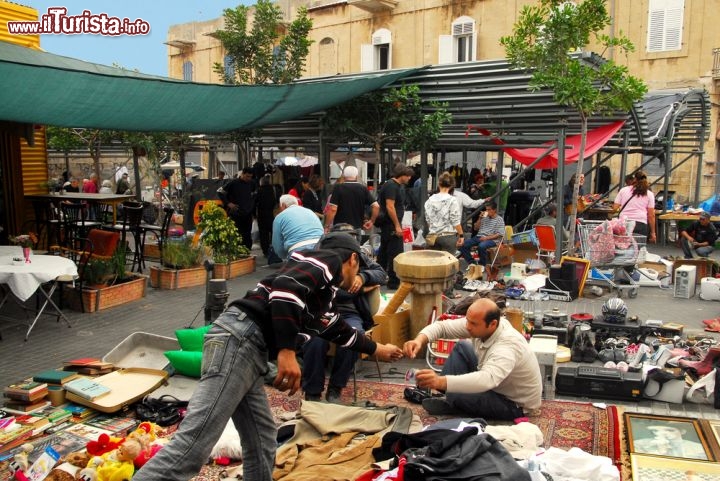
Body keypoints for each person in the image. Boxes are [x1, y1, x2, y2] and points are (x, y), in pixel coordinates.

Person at [132, 233, 404, 481]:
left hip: (247, 348)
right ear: (353, 258)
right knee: (192, 447)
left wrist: (377, 349)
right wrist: (286, 352)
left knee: (262, 443)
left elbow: (333, 326)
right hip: (240, 341)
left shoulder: (321, 287)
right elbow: (286, 290)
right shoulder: (329, 260)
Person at [402, 298, 542, 420]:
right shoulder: (481, 324)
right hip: (497, 383)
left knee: (456, 392)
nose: (467, 327)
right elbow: (442, 327)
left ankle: (453, 401)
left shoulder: (508, 345)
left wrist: (439, 381)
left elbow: (487, 379)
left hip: (514, 403)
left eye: (473, 324)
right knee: (462, 346)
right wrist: (419, 341)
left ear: (492, 324)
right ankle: (452, 398)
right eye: (468, 321)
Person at [302, 224, 388, 403]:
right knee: (315, 339)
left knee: (353, 337)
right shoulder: (319, 258)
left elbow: (381, 273)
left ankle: (336, 387)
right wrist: (354, 289)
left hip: (350, 313)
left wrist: (362, 277)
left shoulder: (355, 254)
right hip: (322, 311)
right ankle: (312, 392)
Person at [377, 162, 414, 289]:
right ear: (401, 175)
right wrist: (397, 226)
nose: (409, 178)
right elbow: (390, 206)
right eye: (408, 175)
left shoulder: (392, 185)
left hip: (388, 225)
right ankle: (393, 281)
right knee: (395, 253)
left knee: (384, 251)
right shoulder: (392, 186)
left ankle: (379, 276)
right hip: (391, 225)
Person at [323, 165, 379, 234]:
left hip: (340, 228)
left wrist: (327, 226)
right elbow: (376, 206)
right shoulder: (363, 188)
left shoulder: (338, 188)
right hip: (357, 229)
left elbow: (333, 209)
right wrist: (372, 221)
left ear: (343, 175)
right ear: (356, 175)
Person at [271, 194, 323, 259]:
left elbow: (277, 246)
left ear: (283, 205)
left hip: (298, 250)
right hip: (320, 246)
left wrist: (285, 257)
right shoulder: (310, 212)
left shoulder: (279, 217)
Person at [424, 172, 464, 255]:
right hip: (448, 236)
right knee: (448, 265)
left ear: (439, 184)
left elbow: (428, 221)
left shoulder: (429, 201)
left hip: (432, 237)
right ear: (452, 185)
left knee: (433, 264)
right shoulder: (452, 200)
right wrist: (461, 235)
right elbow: (455, 221)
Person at [612, 169, 656, 243]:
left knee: (623, 247)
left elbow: (615, 208)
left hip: (624, 222)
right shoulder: (649, 194)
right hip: (641, 223)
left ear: (634, 179)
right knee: (638, 249)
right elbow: (651, 215)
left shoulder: (623, 190)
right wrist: (653, 232)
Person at [458, 201, 505, 269]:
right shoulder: (484, 217)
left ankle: (482, 265)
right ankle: (472, 263)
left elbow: (500, 234)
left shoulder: (499, 219)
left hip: (493, 239)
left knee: (482, 246)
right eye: (486, 209)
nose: (487, 211)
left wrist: (486, 238)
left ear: (494, 210)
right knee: (463, 244)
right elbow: (475, 228)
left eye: (489, 209)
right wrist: (480, 218)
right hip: (479, 237)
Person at [218, 167, 255, 251]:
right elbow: (220, 192)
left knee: (247, 235)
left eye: (250, 177)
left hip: (247, 214)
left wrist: (252, 211)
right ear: (242, 174)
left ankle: (247, 252)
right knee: (237, 234)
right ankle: (237, 252)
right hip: (236, 213)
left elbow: (253, 196)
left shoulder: (252, 183)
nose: (248, 179)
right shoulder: (233, 183)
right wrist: (228, 203)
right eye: (247, 176)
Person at [633, 422, 706, 459]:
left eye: (669, 430)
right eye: (656, 430)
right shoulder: (640, 444)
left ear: (682, 431)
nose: (663, 433)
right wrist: (660, 450)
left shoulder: (698, 448)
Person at [255, 174, 278, 259]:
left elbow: (255, 202)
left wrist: (254, 214)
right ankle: (274, 248)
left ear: (261, 183)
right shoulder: (273, 189)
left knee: (263, 234)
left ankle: (266, 251)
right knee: (273, 232)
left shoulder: (259, 190)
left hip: (262, 215)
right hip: (272, 214)